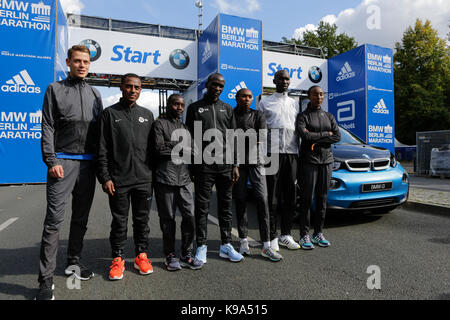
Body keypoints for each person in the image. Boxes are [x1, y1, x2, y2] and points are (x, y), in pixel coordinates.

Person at [36, 45, 103, 300]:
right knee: (53, 222)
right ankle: (45, 281)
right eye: (77, 61)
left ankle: (73, 262)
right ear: (68, 62)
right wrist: (51, 159)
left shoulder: (95, 94)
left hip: (88, 165)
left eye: (86, 61)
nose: (82, 65)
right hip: (62, 163)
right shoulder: (55, 89)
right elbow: (48, 126)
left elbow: (98, 133)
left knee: (80, 220)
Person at [97, 73, 155, 280]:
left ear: (141, 90)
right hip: (118, 180)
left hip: (144, 180)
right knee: (119, 222)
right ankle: (117, 259)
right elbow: (101, 149)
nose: (133, 90)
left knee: (142, 221)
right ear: (121, 87)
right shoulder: (109, 114)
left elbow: (152, 150)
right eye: (129, 86)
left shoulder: (148, 115)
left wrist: (153, 176)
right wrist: (105, 177)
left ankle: (141, 256)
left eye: (137, 87)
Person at [185, 73, 243, 263]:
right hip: (204, 167)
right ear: (207, 84)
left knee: (226, 207)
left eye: (221, 86)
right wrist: (192, 166)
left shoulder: (227, 109)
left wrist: (235, 164)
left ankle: (226, 245)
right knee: (202, 208)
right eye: (214, 84)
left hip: (225, 166)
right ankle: (201, 246)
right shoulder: (194, 108)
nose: (217, 88)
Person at [150, 94, 203, 271]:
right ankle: (169, 255)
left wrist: (171, 145)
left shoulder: (185, 128)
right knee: (168, 219)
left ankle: (186, 253)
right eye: (175, 104)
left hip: (185, 179)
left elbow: (195, 152)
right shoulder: (159, 124)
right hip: (165, 178)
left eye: (181, 105)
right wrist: (182, 148)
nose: (179, 108)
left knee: (189, 217)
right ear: (168, 104)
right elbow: (158, 150)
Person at [233, 88, 283, 262]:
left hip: (257, 163)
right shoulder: (231, 115)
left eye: (249, 97)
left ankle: (267, 245)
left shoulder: (258, 115)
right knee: (240, 201)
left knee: (262, 200)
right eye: (243, 96)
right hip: (238, 165)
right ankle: (243, 240)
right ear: (237, 98)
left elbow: (259, 137)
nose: (246, 99)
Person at [257, 69, 301, 251]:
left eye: (287, 79)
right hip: (271, 154)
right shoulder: (265, 101)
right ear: (274, 80)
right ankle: (272, 236)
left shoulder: (296, 103)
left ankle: (286, 234)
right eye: (281, 78)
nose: (284, 81)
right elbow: (260, 129)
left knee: (290, 197)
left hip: (291, 155)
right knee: (272, 197)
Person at [296, 85, 340, 249]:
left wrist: (317, 139)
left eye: (321, 94)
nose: (319, 97)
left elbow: (337, 136)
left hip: (326, 161)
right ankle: (304, 235)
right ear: (309, 96)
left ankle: (318, 233)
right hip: (309, 161)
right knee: (307, 199)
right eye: (315, 94)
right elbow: (304, 135)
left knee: (322, 198)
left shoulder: (329, 116)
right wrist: (325, 135)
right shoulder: (303, 116)